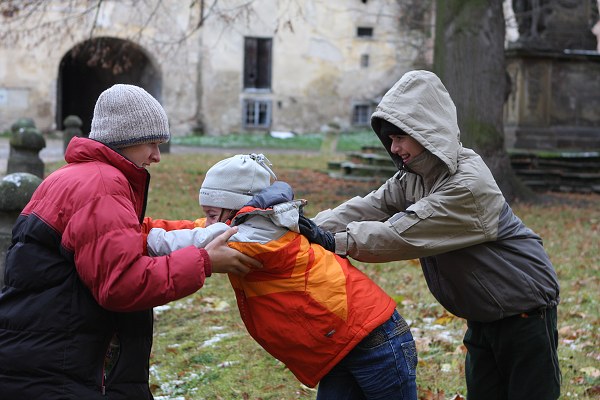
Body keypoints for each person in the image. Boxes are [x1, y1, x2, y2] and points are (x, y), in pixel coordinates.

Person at [298, 70, 561, 400]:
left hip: (524, 310)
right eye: (390, 139)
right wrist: (310, 227)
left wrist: (333, 241)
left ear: (427, 132)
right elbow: (373, 205)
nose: (394, 148)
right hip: (485, 312)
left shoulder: (466, 185)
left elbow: (402, 232)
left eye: (400, 138)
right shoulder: (418, 174)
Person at [0, 84, 260, 400]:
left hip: (44, 354)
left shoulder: (79, 176)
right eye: (150, 143)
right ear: (124, 139)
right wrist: (205, 261)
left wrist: (201, 230)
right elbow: (121, 284)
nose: (157, 156)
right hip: (63, 368)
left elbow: (127, 235)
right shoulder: (102, 186)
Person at [146, 153, 418, 400]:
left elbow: (193, 238)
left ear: (235, 210)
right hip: (347, 344)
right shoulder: (250, 224)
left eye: (211, 215)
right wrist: (143, 224)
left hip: (377, 344)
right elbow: (193, 229)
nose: (206, 222)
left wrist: (139, 235)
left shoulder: (256, 237)